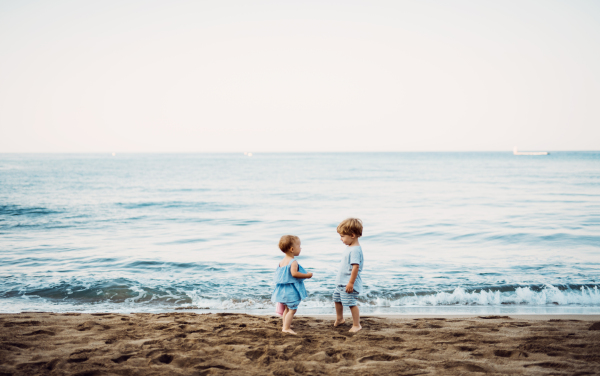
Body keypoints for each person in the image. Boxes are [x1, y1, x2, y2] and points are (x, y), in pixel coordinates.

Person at [271, 235, 313, 334]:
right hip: (290, 291)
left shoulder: (281, 262)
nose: (301, 248)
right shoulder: (293, 262)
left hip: (282, 290)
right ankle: (286, 328)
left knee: (286, 308)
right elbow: (294, 274)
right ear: (292, 249)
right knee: (292, 310)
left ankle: (286, 324)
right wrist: (307, 275)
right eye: (299, 246)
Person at [333, 218, 364, 333]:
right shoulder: (350, 247)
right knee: (337, 300)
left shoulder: (355, 250)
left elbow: (355, 267)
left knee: (351, 303)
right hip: (341, 282)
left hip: (349, 283)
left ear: (352, 235)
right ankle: (340, 319)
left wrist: (351, 282)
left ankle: (357, 324)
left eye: (342, 236)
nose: (341, 239)